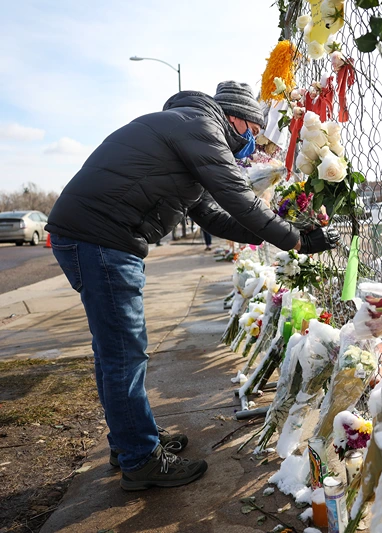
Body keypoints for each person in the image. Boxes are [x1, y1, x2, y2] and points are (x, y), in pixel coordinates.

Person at [45, 81, 339, 491]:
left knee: (117, 350)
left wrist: (289, 233)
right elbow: (239, 198)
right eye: (253, 130)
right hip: (100, 238)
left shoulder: (187, 132)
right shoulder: (201, 129)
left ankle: (131, 439)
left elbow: (215, 216)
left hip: (96, 235)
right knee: (123, 353)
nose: (252, 141)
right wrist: (296, 239)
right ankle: (139, 460)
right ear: (237, 118)